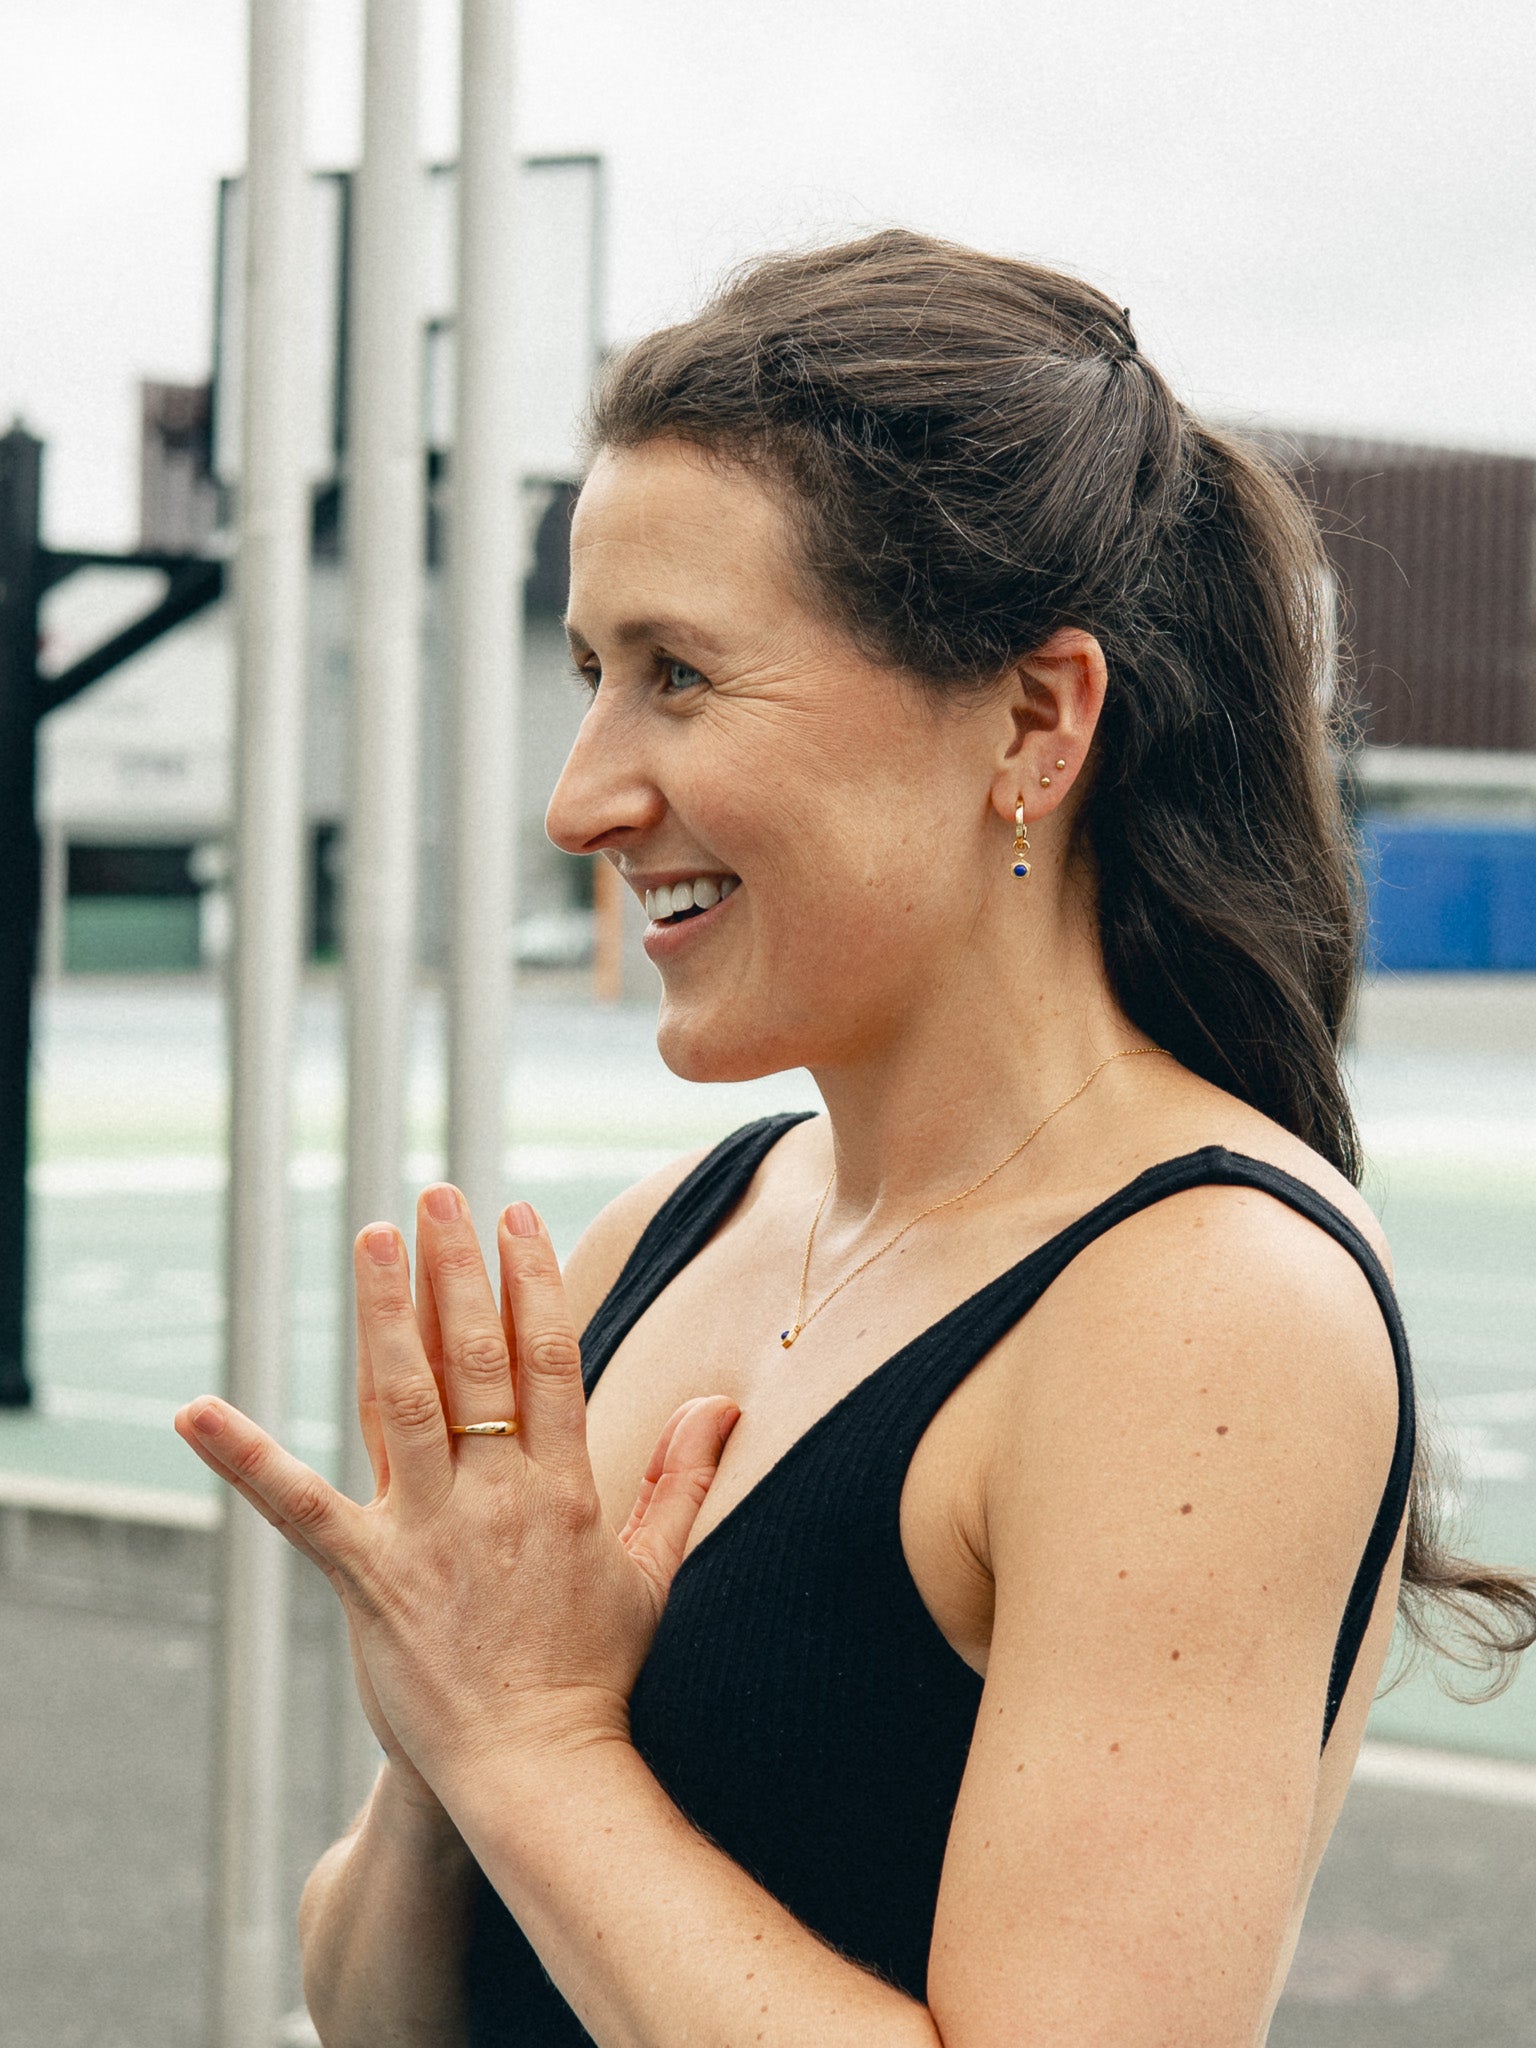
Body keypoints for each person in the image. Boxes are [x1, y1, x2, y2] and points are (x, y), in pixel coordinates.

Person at [177, 232, 1536, 2047]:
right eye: (590, 667)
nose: (582, 796)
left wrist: (537, 1743)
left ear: (1033, 722)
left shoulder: (1210, 1308)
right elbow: (379, 2009)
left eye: (677, 675)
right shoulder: (676, 1229)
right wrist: (450, 1724)